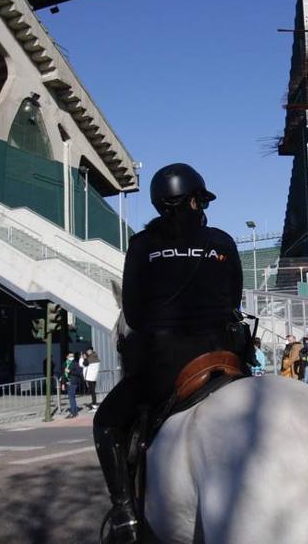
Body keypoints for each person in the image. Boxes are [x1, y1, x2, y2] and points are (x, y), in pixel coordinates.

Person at [93, 163, 245, 544]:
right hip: (226, 355)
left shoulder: (143, 246)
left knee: (107, 423)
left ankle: (126, 514)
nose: (202, 206)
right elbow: (236, 298)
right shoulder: (223, 242)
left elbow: (134, 311)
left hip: (167, 362)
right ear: (193, 200)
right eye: (200, 199)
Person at [63, 351, 84, 418]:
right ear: (67, 357)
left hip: (73, 382)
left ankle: (73, 412)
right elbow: (63, 374)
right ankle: (74, 412)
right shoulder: (65, 363)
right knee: (71, 397)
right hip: (67, 382)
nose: (72, 357)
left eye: (72, 356)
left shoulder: (75, 363)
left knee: (71, 397)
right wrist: (63, 383)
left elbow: (79, 372)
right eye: (70, 356)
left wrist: (70, 371)